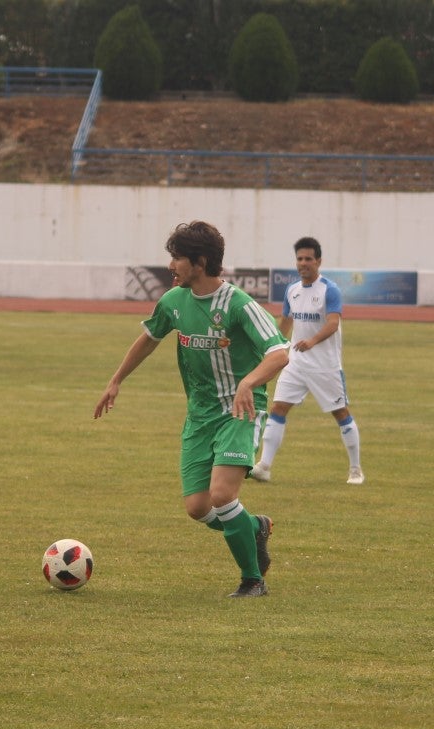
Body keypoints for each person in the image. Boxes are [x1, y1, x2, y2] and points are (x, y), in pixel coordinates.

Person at [94, 221, 289, 598]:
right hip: (200, 415)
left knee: (221, 495)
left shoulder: (239, 305)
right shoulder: (173, 302)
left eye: (177, 257)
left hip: (240, 411)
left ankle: (253, 580)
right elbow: (148, 339)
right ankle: (254, 528)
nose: (171, 265)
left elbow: (280, 353)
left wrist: (248, 383)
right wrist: (116, 380)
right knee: (198, 507)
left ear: (200, 262)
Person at [249, 236, 363, 485]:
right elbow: (287, 323)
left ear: (318, 261)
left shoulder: (329, 289)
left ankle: (356, 469)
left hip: (325, 366)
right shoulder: (292, 290)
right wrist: (273, 345)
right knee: (278, 408)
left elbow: (333, 323)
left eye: (308, 259)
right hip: (296, 363)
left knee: (340, 412)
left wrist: (312, 341)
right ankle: (264, 466)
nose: (303, 263)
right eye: (300, 259)